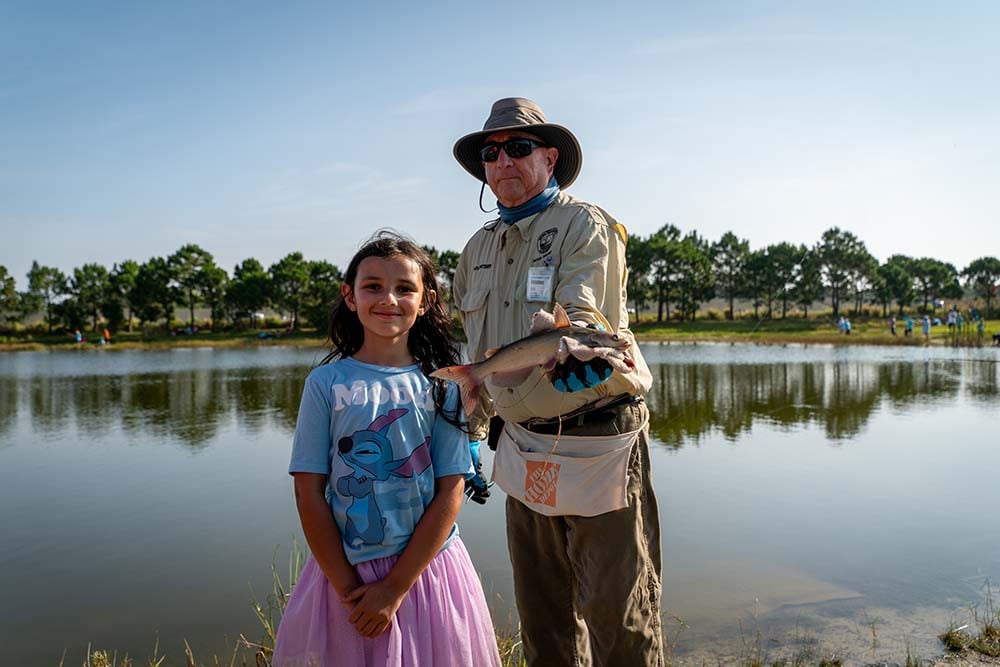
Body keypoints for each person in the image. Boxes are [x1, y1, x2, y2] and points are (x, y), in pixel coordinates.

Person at [451, 97, 663, 666]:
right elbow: (477, 357)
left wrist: (576, 346)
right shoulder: (475, 250)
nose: (502, 161)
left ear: (549, 157)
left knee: (620, 618)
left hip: (597, 442)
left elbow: (585, 309)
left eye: (518, 148)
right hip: (521, 447)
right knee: (543, 615)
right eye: (490, 153)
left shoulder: (583, 224)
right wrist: (473, 430)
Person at [272, 232, 501, 667]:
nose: (388, 299)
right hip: (347, 575)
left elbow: (451, 491)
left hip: (427, 573)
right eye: (372, 286)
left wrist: (395, 588)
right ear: (350, 296)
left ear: (427, 299)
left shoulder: (443, 386)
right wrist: (349, 590)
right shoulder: (325, 385)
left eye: (404, 288)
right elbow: (308, 493)